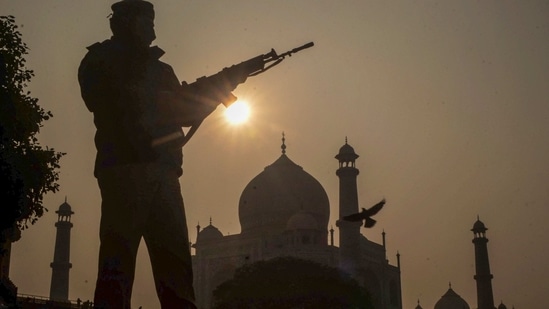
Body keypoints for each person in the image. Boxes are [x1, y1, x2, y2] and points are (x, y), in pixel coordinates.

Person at [78, 1, 242, 308]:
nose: (154, 29)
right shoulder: (101, 61)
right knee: (118, 265)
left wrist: (221, 84)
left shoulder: (159, 69)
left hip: (163, 173)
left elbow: (181, 111)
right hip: (126, 169)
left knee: (175, 270)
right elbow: (135, 103)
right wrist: (206, 90)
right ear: (128, 23)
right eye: (147, 22)